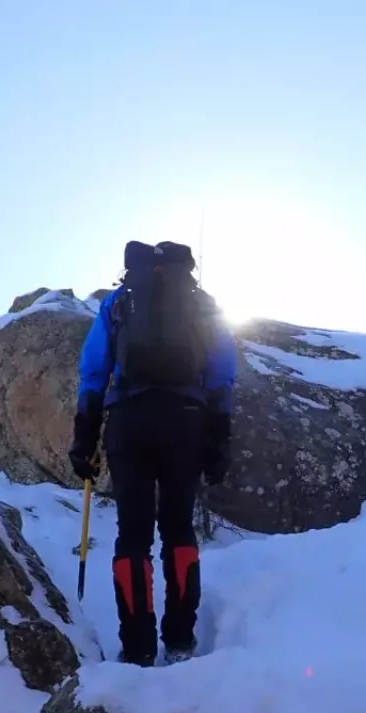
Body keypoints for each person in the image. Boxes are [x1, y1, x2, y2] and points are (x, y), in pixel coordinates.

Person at [68, 240, 237, 666]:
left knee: (133, 536)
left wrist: (84, 437)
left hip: (130, 421)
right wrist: (219, 437)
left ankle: (138, 647)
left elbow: (93, 370)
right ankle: (180, 641)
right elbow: (222, 372)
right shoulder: (202, 305)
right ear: (187, 266)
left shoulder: (119, 303)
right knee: (179, 531)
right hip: (185, 421)